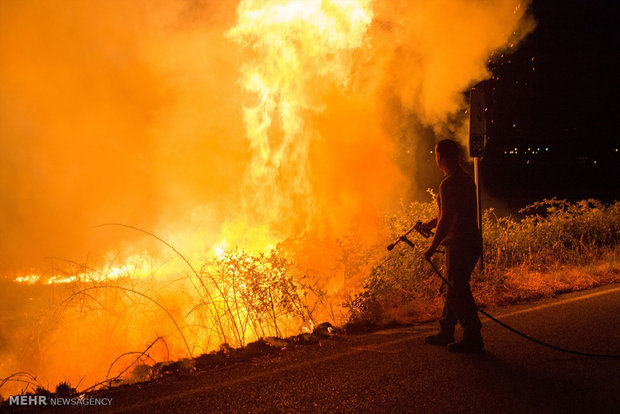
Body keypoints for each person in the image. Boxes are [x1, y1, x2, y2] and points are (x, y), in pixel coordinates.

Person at [420, 139, 484, 352]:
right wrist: (429, 225)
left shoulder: (447, 184)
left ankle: (473, 335)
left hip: (460, 244)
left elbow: (447, 219)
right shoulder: (465, 179)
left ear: (440, 155)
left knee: (457, 289)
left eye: (436, 154)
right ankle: (446, 331)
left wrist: (431, 248)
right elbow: (451, 214)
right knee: (452, 287)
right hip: (471, 241)